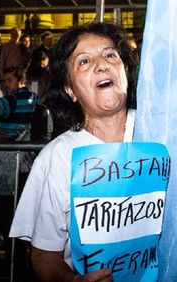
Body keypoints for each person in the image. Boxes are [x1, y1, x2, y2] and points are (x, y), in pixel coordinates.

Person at [10, 22, 138, 281]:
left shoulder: (166, 134)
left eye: (111, 55)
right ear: (70, 90)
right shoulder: (58, 157)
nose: (102, 65)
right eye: (84, 61)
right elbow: (45, 255)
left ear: (125, 70)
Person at [0, 66, 38, 142]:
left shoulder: (12, 99)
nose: (6, 85)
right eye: (5, 81)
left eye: (9, 80)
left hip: (8, 145)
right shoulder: (35, 97)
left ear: (21, 81)